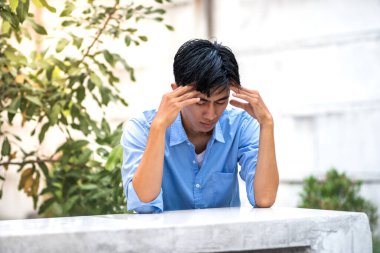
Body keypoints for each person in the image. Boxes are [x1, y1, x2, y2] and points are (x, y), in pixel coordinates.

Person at [120, 39, 279, 213]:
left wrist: (267, 123)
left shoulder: (240, 126)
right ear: (176, 91)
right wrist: (159, 128)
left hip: (223, 237)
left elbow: (264, 199)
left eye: (221, 101)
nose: (211, 114)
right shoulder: (142, 128)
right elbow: (143, 204)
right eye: (201, 101)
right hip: (164, 238)